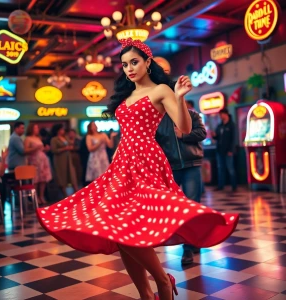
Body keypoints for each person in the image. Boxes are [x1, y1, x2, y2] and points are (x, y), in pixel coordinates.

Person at [37, 38, 238, 300]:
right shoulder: (127, 95)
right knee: (118, 227)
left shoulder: (161, 90)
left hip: (147, 161)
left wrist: (179, 97)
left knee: (128, 226)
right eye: (124, 65)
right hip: (122, 163)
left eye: (134, 62)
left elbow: (186, 129)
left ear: (147, 62)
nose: (129, 68)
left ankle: (163, 282)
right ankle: (146, 294)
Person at [156, 102, 206, 265]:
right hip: (172, 167)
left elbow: (202, 133)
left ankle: (188, 248)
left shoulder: (193, 115)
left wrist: (184, 135)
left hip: (192, 165)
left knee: (192, 206)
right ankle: (190, 241)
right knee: (175, 207)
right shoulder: (160, 120)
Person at [24, 124, 52, 205]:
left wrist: (45, 149)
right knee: (35, 180)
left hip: (42, 160)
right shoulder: (28, 139)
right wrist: (35, 148)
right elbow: (25, 150)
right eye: (35, 128)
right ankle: (35, 196)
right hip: (34, 160)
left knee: (43, 179)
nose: (37, 129)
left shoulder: (38, 138)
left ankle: (41, 196)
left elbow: (41, 149)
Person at [212, 108, 237, 191]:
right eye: (220, 115)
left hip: (228, 151)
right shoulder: (220, 125)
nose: (220, 116)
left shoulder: (231, 125)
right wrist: (214, 135)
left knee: (230, 168)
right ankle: (220, 186)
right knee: (220, 169)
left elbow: (234, 138)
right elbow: (217, 137)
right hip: (219, 150)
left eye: (221, 114)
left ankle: (234, 186)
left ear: (226, 114)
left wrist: (231, 150)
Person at [50, 124, 78, 197]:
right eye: (61, 129)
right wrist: (64, 149)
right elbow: (54, 150)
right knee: (62, 176)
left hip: (68, 158)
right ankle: (65, 194)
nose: (63, 131)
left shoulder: (65, 137)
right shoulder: (54, 139)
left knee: (72, 175)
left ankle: (77, 192)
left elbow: (71, 143)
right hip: (60, 160)